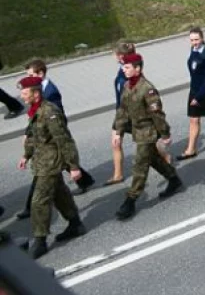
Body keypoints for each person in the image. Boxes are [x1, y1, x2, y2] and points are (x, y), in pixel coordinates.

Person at [16, 76, 87, 259]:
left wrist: (74, 166)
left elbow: (64, 140)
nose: (22, 97)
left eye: (25, 93)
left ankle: (40, 241)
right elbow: (34, 136)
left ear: (36, 93)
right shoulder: (35, 110)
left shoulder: (50, 112)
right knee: (59, 194)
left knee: (38, 202)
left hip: (51, 163)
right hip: (42, 161)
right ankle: (75, 223)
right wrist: (26, 155)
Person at [15, 61, 95, 221]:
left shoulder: (50, 93)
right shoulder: (36, 94)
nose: (28, 78)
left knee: (45, 173)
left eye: (31, 75)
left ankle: (31, 208)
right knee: (57, 171)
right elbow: (35, 120)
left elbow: (53, 120)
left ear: (41, 74)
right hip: (46, 140)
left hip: (53, 135)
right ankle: (84, 182)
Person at [113, 53, 183, 221]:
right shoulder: (127, 86)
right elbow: (122, 111)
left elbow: (157, 114)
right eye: (124, 66)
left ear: (138, 69)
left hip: (149, 132)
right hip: (138, 131)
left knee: (140, 165)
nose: (124, 69)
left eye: (128, 67)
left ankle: (130, 200)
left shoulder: (147, 89)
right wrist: (118, 131)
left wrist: (165, 133)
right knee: (152, 159)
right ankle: (173, 178)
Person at [177, 27, 205, 160]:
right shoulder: (193, 50)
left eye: (197, 39)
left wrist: (198, 97)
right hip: (194, 89)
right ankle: (191, 149)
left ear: (202, 39)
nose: (194, 42)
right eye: (192, 40)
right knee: (193, 119)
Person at [107, 40, 136, 185]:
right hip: (120, 112)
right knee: (115, 142)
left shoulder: (129, 73)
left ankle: (165, 158)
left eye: (115, 53)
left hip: (129, 113)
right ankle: (118, 174)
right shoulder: (123, 69)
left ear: (119, 56)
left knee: (147, 142)